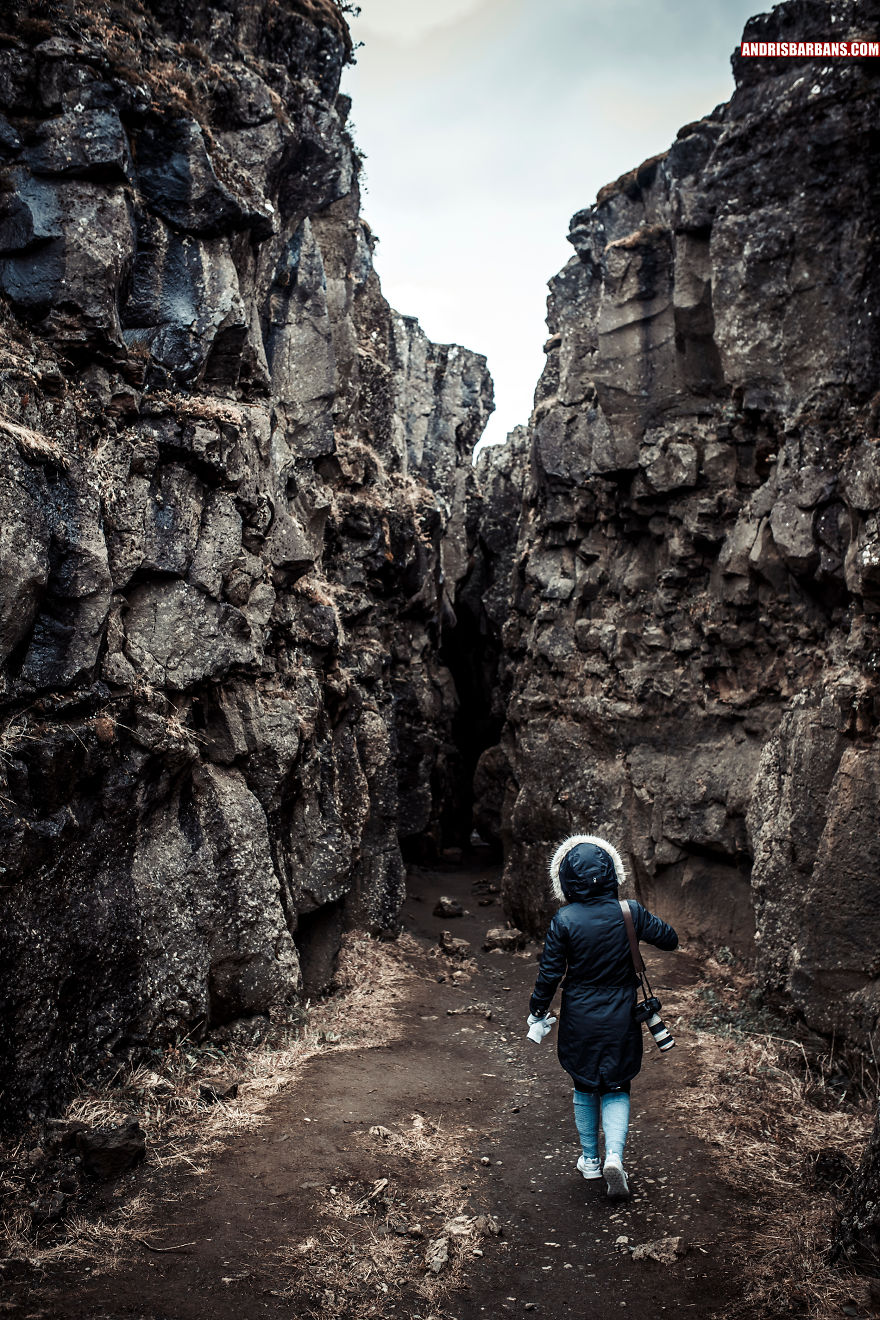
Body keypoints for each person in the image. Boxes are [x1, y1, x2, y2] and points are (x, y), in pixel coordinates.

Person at [527, 833, 678, 1200]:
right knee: (617, 1084)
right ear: (613, 872)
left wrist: (537, 1009)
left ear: (565, 879)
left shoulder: (564, 919)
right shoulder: (630, 911)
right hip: (621, 1013)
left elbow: (550, 973)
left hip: (579, 1014)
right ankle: (615, 1156)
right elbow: (670, 939)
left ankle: (591, 1161)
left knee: (583, 1083)